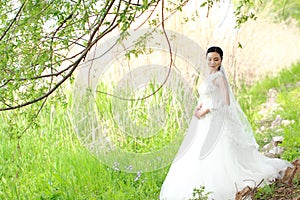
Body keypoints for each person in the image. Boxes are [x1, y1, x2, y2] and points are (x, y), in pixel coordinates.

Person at [159, 46, 292, 200]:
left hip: (216, 119)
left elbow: (226, 102)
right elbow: (205, 96)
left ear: (221, 60)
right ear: (206, 60)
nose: (212, 62)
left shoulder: (219, 78)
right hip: (203, 121)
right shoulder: (207, 77)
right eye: (210, 59)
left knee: (219, 152)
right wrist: (198, 107)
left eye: (216, 59)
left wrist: (207, 110)